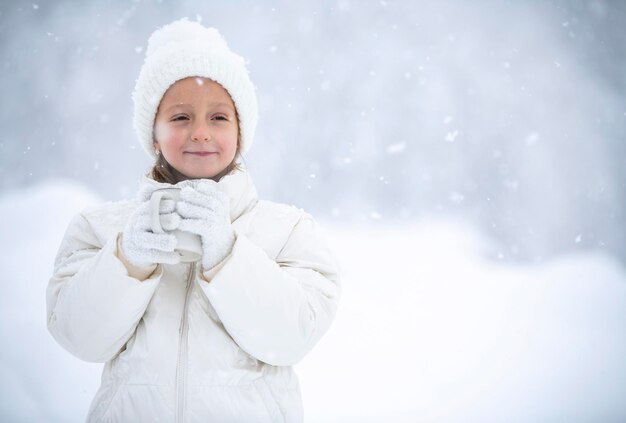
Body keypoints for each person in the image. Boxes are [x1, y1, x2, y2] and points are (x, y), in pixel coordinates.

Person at [46, 18, 341, 422]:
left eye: (219, 118)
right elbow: (79, 338)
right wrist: (127, 259)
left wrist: (227, 255)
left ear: (240, 132)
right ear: (153, 133)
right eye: (181, 118)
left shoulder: (287, 232)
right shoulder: (99, 230)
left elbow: (290, 339)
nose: (200, 132)